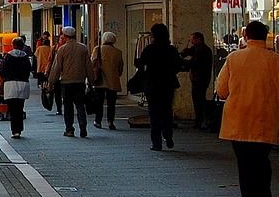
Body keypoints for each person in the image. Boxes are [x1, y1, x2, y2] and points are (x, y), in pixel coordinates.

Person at [215, 20, 279, 197]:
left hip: (238, 121)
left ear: (246, 36)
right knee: (261, 161)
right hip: (265, 120)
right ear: (265, 36)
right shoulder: (275, 60)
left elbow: (221, 90)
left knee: (245, 165)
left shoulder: (234, 58)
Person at [135, 23, 185, 151]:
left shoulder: (149, 49)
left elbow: (140, 64)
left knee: (154, 113)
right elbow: (178, 66)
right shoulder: (171, 50)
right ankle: (168, 135)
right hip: (168, 84)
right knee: (167, 111)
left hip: (152, 85)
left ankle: (156, 142)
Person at [46, 26, 93, 137]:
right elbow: (88, 66)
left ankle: (69, 129)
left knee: (68, 106)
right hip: (80, 82)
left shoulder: (62, 49)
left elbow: (56, 67)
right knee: (80, 105)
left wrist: (51, 82)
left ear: (65, 36)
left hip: (66, 83)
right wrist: (91, 80)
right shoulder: (83, 48)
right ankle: (83, 127)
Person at [0, 37, 32, 138]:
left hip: (10, 85)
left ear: (13, 45)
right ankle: (19, 129)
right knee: (20, 108)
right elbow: (29, 69)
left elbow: (2, 71)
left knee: (12, 109)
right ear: (22, 45)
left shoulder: (8, 56)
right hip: (23, 84)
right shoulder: (25, 57)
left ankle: (14, 131)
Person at [180, 31, 215, 130]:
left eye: (193, 40)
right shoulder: (198, 49)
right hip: (198, 78)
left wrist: (182, 61)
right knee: (198, 99)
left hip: (201, 78)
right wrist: (184, 52)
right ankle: (201, 120)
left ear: (198, 39)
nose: (191, 42)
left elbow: (194, 63)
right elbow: (189, 52)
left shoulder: (203, 50)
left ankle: (201, 120)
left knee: (198, 99)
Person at [90, 32, 124, 130]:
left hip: (100, 80)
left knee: (99, 102)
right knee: (111, 103)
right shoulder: (118, 52)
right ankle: (110, 121)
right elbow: (120, 67)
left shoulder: (98, 49)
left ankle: (98, 120)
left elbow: (92, 63)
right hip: (113, 81)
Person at [34, 32, 53, 111]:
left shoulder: (39, 48)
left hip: (40, 67)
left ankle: (42, 87)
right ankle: (47, 88)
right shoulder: (51, 49)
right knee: (47, 80)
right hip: (48, 68)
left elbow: (35, 55)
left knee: (41, 79)